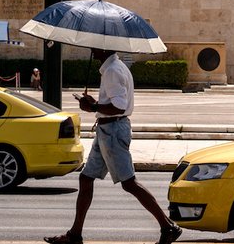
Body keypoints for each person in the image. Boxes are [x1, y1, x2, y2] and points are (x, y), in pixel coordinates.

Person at [44, 48, 182, 244]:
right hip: (107, 130)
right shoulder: (114, 68)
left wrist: (93, 107)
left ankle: (167, 227)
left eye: (95, 45)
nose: (92, 49)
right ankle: (75, 234)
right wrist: (96, 103)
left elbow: (119, 106)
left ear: (105, 47)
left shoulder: (112, 71)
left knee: (129, 183)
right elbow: (114, 103)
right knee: (86, 178)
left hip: (113, 131)